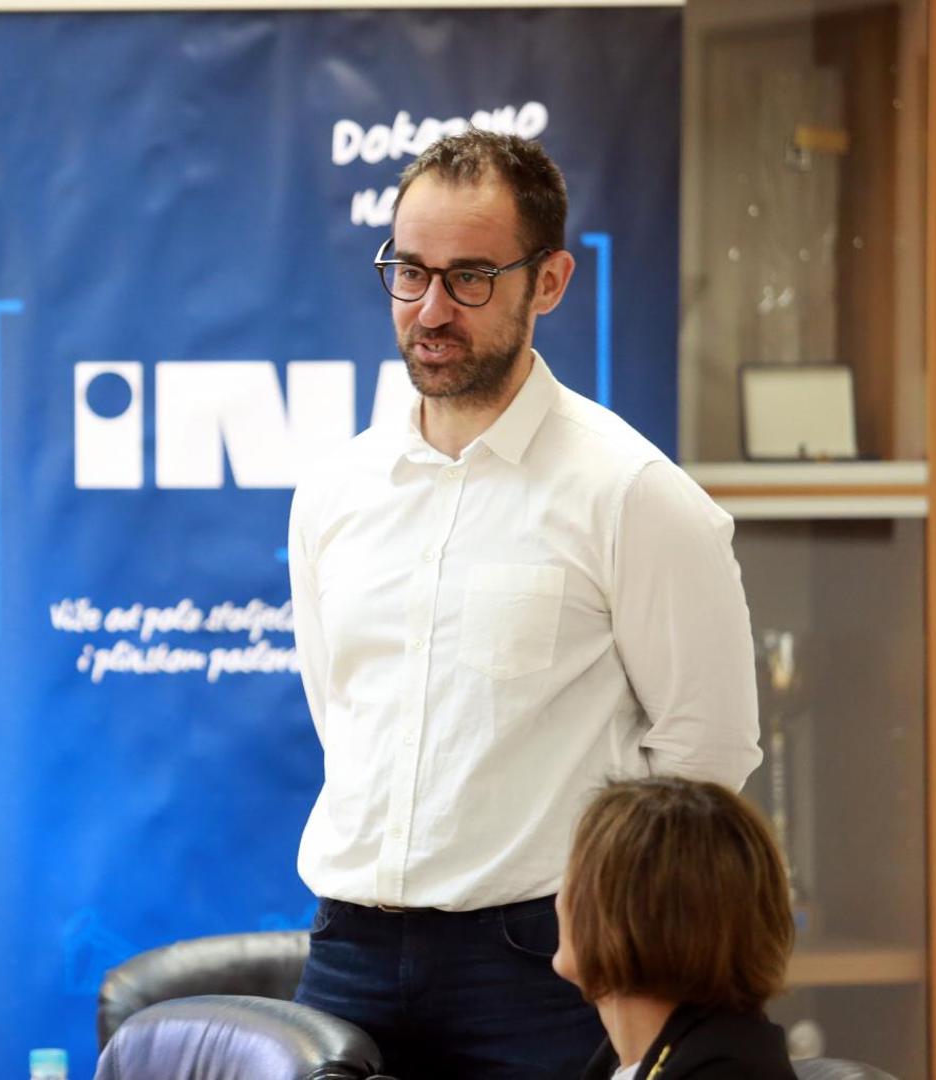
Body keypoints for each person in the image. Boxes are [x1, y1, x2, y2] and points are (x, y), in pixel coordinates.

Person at [287, 129, 763, 1078]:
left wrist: (598, 928)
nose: (430, 309)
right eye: (408, 273)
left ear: (549, 282)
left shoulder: (632, 493)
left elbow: (707, 757)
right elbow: (340, 714)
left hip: (542, 967)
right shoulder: (335, 491)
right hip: (348, 953)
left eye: (469, 278)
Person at [557, 777, 795, 1079]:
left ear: (629, 917)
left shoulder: (726, 1071)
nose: (559, 900)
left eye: (574, 879)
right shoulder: (632, 1061)